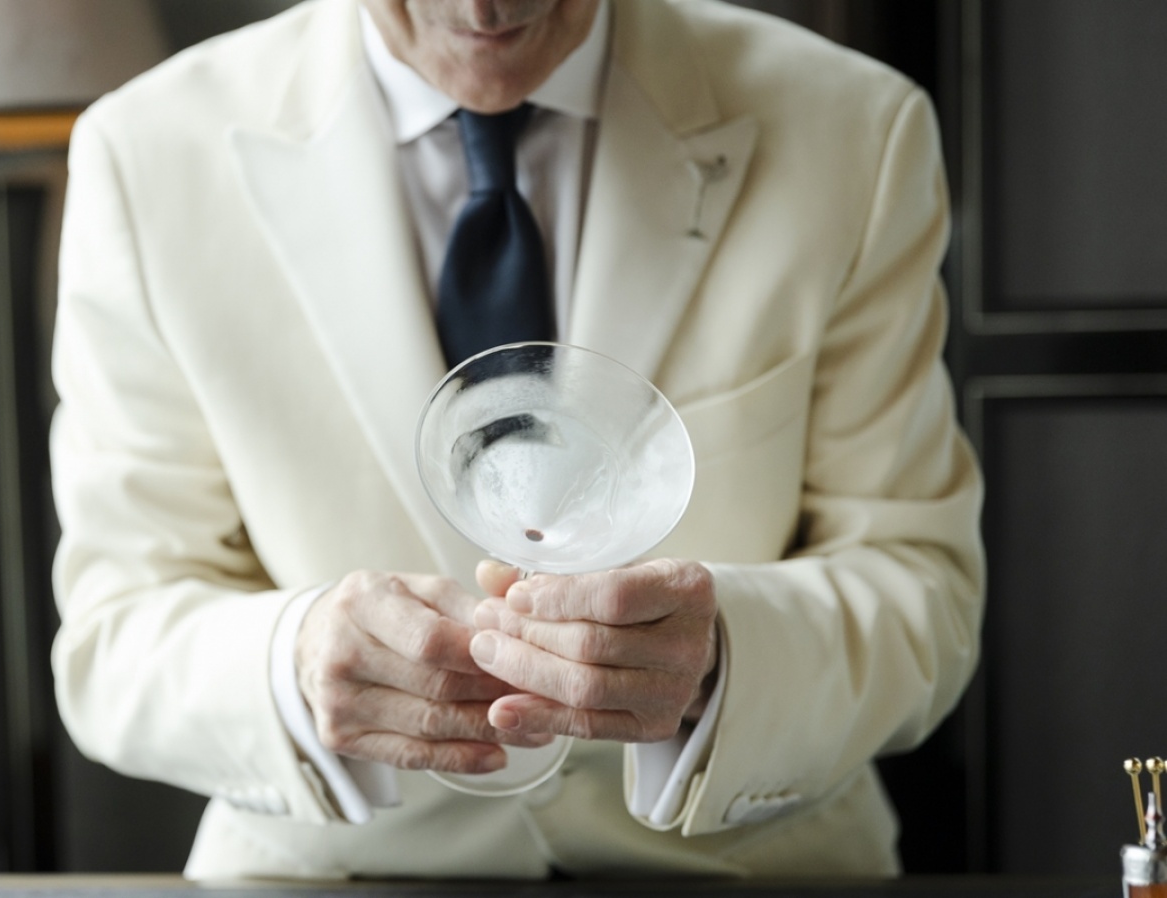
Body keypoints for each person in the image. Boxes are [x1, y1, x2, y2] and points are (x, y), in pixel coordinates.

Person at [50, 0, 984, 880]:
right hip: (342, 872)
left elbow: (923, 588)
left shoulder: (855, 130)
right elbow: (113, 632)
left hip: (749, 869)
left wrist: (721, 665)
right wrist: (295, 664)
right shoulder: (145, 157)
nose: (485, 12)